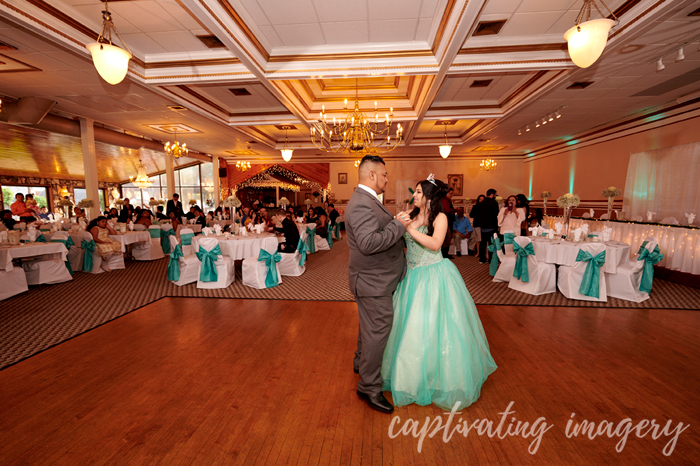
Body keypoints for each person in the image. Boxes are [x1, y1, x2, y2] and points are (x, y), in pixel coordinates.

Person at [383, 176, 497, 411]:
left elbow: (436, 244)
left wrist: (407, 229)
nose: (413, 196)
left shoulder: (442, 217)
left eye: (417, 192)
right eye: (414, 192)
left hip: (434, 276)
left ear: (429, 196)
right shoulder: (411, 215)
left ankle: (435, 378)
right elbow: (398, 239)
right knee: (410, 328)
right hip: (411, 276)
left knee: (435, 326)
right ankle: (411, 378)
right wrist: (396, 225)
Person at [345, 154, 411, 414]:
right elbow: (369, 243)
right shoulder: (362, 203)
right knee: (377, 331)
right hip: (373, 282)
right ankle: (369, 387)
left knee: (368, 327)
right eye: (384, 174)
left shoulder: (367, 200)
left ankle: (361, 362)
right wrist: (398, 225)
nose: (387, 177)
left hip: (373, 279)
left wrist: (394, 223)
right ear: (371, 175)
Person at [477, 189, 500, 264]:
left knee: (483, 242)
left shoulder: (481, 203)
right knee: (491, 243)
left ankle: (482, 259)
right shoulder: (494, 203)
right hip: (492, 226)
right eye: (495, 195)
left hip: (483, 226)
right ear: (492, 194)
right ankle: (490, 259)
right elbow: (497, 214)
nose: (495, 197)